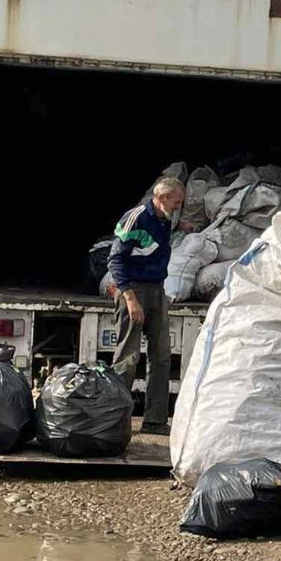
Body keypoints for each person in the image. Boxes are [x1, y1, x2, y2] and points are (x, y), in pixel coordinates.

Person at [107, 176, 186, 436]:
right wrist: (130, 299)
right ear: (162, 198)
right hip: (133, 289)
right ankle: (115, 421)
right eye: (176, 202)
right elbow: (115, 261)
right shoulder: (136, 218)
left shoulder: (165, 220)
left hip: (156, 289)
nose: (178, 207)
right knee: (127, 357)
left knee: (162, 355)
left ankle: (155, 420)